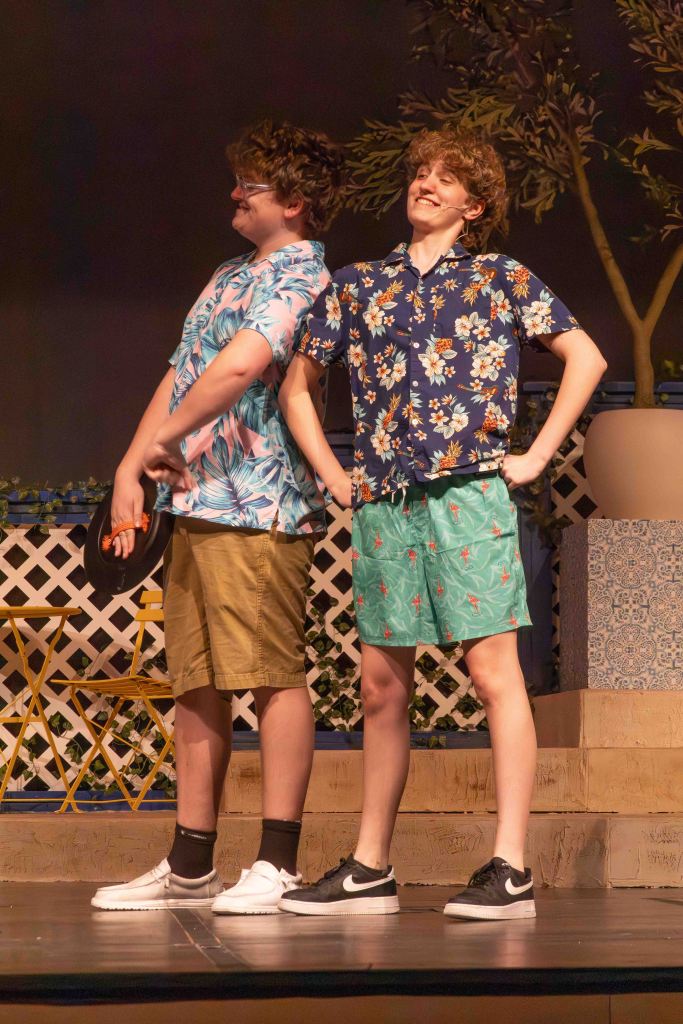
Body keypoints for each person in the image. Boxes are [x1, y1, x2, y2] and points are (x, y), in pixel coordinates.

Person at [277, 124, 607, 920]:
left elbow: (586, 357)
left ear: (474, 205)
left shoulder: (498, 277)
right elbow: (297, 386)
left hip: (467, 493)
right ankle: (370, 866)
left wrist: (535, 456)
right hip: (386, 502)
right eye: (420, 172)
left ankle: (511, 867)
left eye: (446, 178)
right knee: (380, 685)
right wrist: (333, 475)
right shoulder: (358, 284)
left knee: (493, 675)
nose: (425, 183)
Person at [90, 121, 346, 914]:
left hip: (259, 501)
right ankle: (190, 863)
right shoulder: (228, 274)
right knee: (195, 681)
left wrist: (165, 441)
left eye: (252, 186)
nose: (235, 194)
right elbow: (184, 371)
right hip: (193, 499)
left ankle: (277, 861)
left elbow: (242, 366)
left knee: (269, 673)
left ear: (294, 202)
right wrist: (132, 463)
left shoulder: (303, 277)